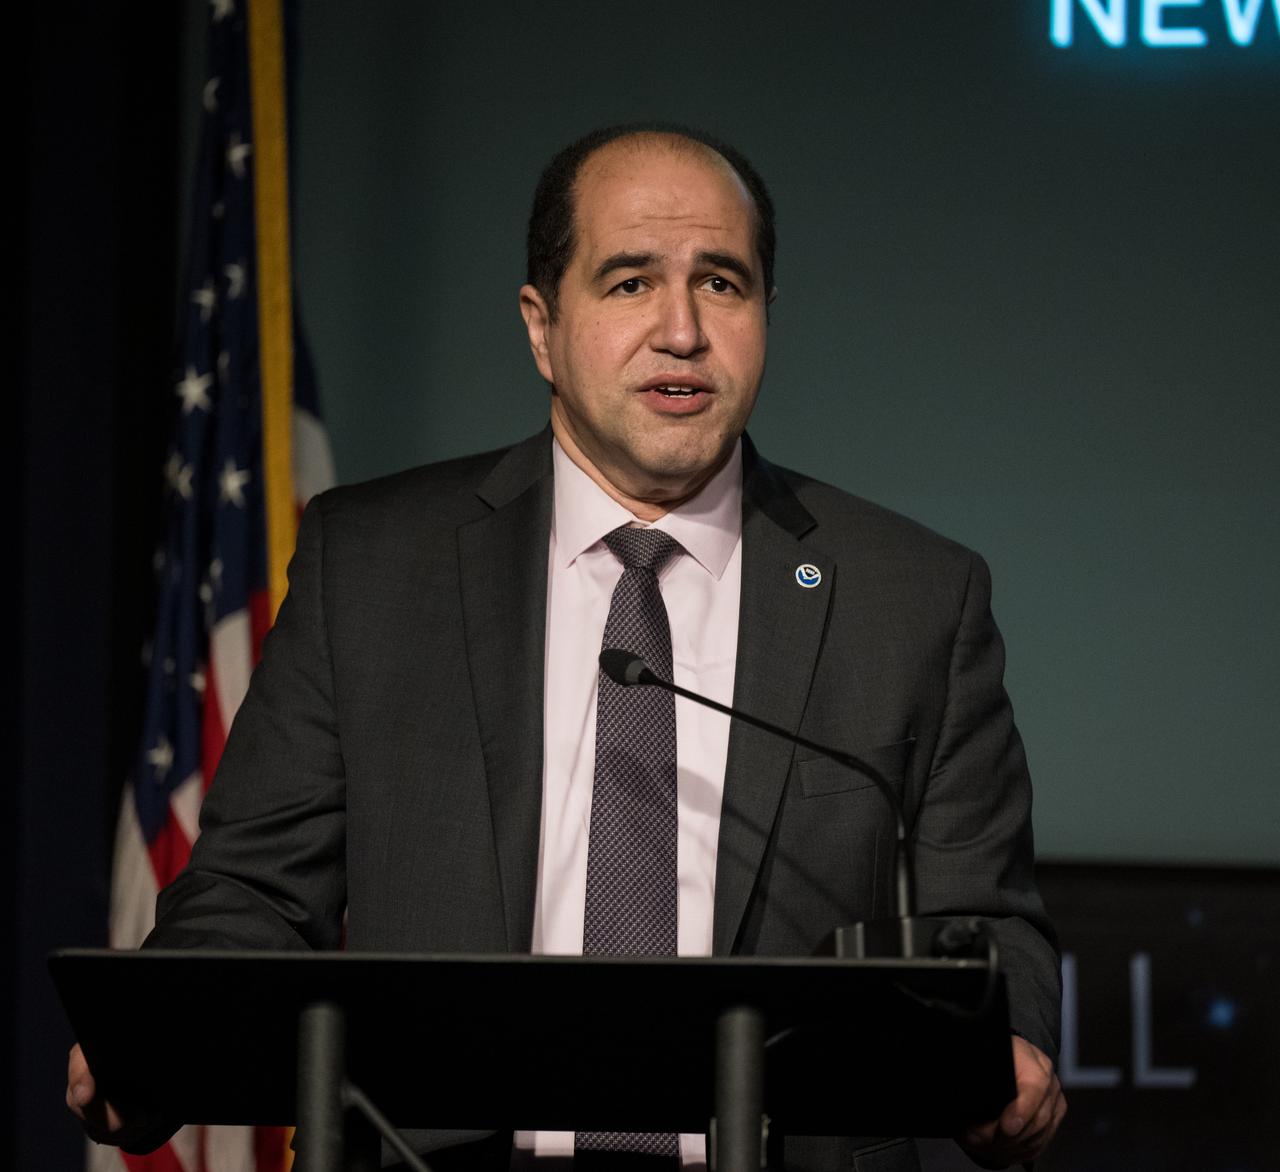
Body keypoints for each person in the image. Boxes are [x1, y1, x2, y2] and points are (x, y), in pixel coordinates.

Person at [68, 123, 1066, 1170]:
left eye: (720, 283)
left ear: (766, 313)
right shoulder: (370, 565)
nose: (680, 331)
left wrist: (1012, 1038)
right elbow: (256, 889)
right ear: (541, 326)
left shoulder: (910, 596)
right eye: (629, 282)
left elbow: (983, 921)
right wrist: (164, 1031)